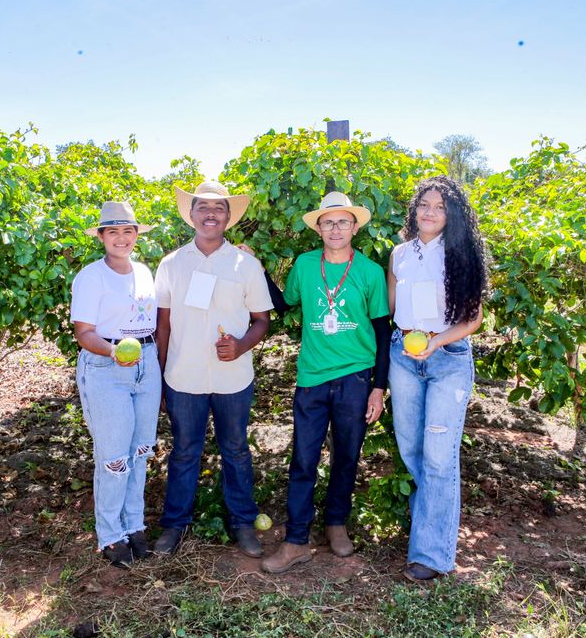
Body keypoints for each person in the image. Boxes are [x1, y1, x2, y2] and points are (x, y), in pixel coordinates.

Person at [239, 192, 390, 573]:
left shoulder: (370, 271)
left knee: (347, 457)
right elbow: (284, 303)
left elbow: (382, 331)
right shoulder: (306, 266)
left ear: (355, 227)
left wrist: (378, 387)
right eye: (328, 222)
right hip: (312, 378)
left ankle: (336, 524)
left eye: (343, 222)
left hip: (356, 377)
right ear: (318, 228)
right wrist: (257, 268)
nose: (335, 228)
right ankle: (296, 541)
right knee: (303, 460)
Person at [152, 180, 273, 558]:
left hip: (232, 378)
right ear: (191, 215)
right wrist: (158, 380)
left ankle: (242, 523)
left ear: (228, 217)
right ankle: (175, 524)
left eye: (218, 208)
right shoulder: (172, 265)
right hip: (182, 376)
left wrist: (240, 346)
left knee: (235, 449)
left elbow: (262, 320)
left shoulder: (246, 264)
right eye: (202, 207)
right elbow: (163, 326)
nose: (210, 213)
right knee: (185, 451)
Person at [387, 175, 488, 582]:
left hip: (447, 358)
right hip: (404, 357)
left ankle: (431, 554)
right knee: (412, 450)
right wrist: (406, 340)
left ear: (453, 215)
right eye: (424, 204)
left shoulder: (461, 254)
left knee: (438, 456)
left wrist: (437, 340)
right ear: (415, 208)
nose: (430, 212)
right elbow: (393, 307)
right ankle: (427, 530)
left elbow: (474, 318)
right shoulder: (399, 254)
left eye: (440, 207)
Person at [71, 201, 161, 568]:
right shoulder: (91, 277)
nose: (121, 238)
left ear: (136, 235)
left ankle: (134, 525)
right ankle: (110, 535)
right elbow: (84, 333)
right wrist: (113, 353)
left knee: (140, 449)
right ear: (102, 237)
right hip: (108, 367)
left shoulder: (143, 271)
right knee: (113, 458)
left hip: (146, 363)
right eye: (113, 232)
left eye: (128, 231)